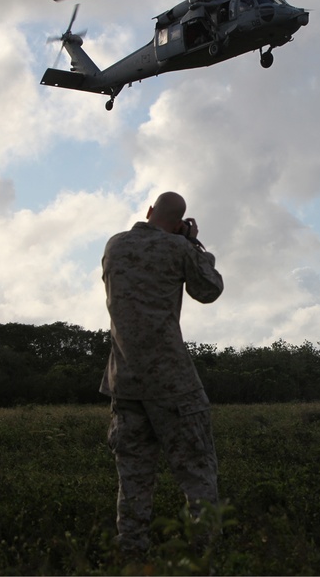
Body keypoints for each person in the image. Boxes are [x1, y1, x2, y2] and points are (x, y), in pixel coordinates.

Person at [99, 191, 224, 554]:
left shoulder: (115, 246)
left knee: (133, 479)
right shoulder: (180, 249)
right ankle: (204, 558)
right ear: (177, 223)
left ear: (150, 211)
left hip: (125, 382)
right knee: (198, 474)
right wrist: (197, 247)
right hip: (173, 382)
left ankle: (133, 555)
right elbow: (209, 289)